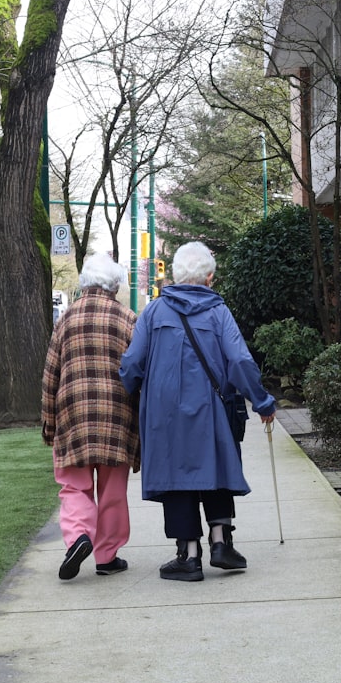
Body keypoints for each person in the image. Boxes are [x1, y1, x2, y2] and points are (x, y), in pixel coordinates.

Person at [119, 241, 276, 582]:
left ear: (176, 275)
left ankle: (188, 556)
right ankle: (221, 542)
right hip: (211, 405)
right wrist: (262, 401)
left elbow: (132, 362)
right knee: (215, 465)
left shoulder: (154, 312)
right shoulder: (219, 312)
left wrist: (129, 389)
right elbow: (239, 360)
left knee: (177, 476)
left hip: (164, 411)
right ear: (209, 277)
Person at [41, 253, 140, 580]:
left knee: (73, 486)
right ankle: (106, 556)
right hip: (116, 416)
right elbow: (139, 372)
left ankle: (79, 537)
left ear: (85, 282)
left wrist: (49, 424)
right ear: (114, 284)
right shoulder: (128, 319)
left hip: (73, 416)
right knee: (112, 490)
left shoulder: (66, 319)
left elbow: (51, 374)